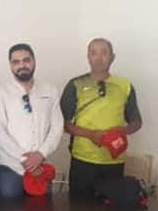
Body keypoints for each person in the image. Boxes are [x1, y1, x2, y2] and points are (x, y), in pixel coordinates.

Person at [60, 38, 142, 197]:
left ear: (112, 57)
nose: (99, 58)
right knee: (79, 207)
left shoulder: (125, 85)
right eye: (93, 53)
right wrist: (90, 134)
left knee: (110, 208)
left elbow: (137, 122)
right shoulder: (75, 84)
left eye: (104, 53)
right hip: (82, 159)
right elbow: (63, 123)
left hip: (114, 159)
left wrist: (122, 131)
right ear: (88, 57)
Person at [0, 43, 63, 198]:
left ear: (34, 61)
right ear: (11, 66)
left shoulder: (49, 90)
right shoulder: (0, 93)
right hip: (10, 169)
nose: (22, 65)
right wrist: (25, 159)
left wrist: (41, 154)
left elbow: (57, 127)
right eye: (16, 62)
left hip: (41, 166)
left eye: (26, 60)